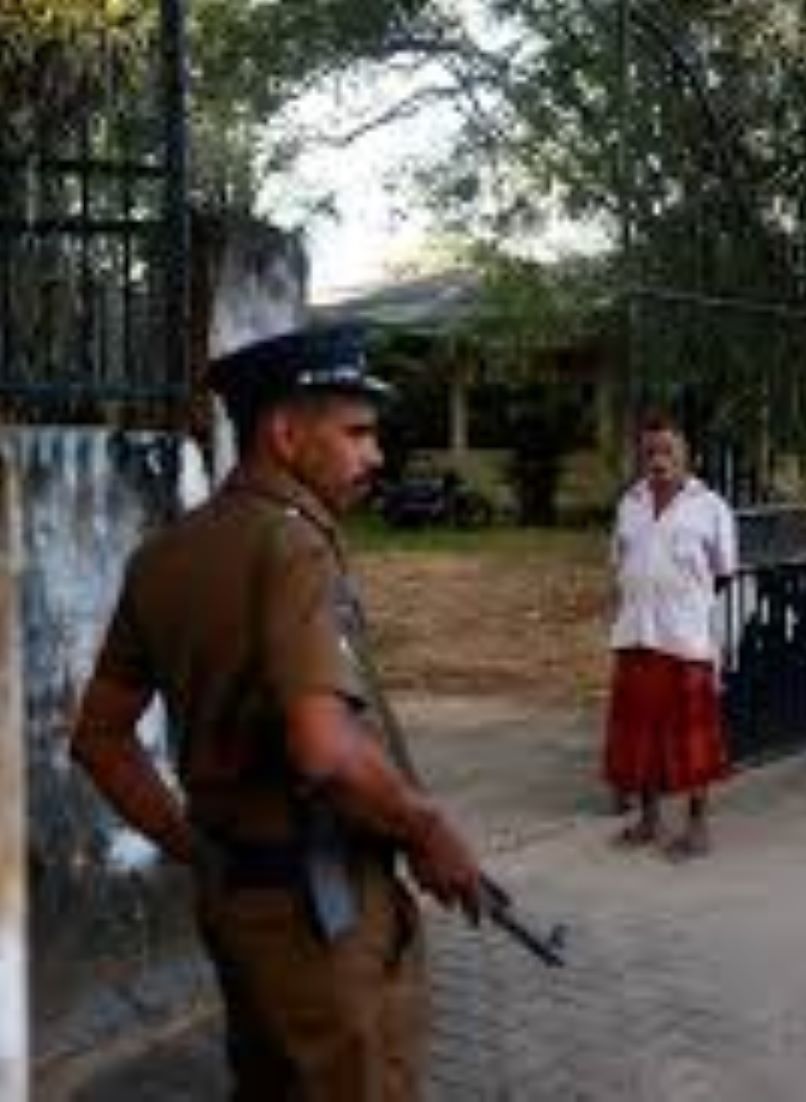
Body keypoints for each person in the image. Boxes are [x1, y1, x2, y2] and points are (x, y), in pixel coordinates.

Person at [68, 325, 485, 1100]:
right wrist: (428, 827)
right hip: (320, 911)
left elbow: (98, 737)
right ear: (286, 436)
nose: (376, 456)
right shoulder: (293, 546)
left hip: (238, 901)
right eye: (356, 433)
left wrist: (192, 843)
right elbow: (325, 750)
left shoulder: (164, 556)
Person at [605, 417, 738, 859]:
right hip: (636, 635)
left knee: (692, 739)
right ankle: (648, 818)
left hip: (685, 639)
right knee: (640, 735)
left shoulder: (711, 507)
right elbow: (620, 564)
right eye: (650, 453)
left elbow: (723, 572)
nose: (658, 461)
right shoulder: (630, 503)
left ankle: (697, 826)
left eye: (668, 452)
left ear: (687, 457)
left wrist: (687, 607)